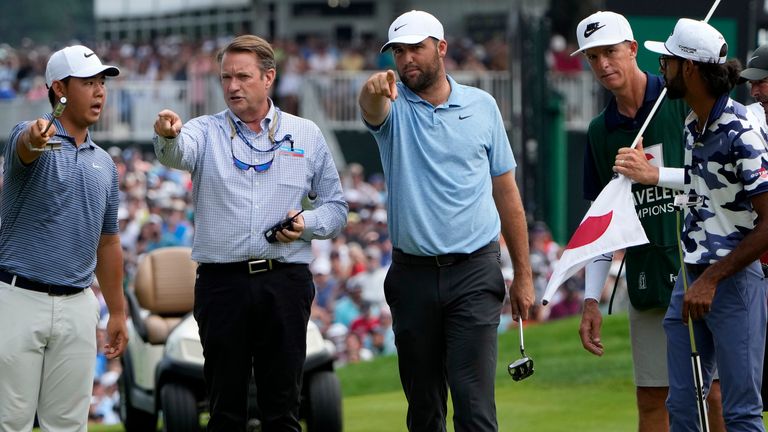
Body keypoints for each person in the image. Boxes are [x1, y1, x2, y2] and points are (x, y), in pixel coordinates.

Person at [152, 34, 347, 432]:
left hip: (285, 281)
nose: (232, 86)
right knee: (224, 409)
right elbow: (175, 153)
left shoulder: (306, 133)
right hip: (222, 284)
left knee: (283, 409)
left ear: (268, 77)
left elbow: (337, 208)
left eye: (242, 76)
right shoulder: (203, 131)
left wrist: (306, 225)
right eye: (225, 77)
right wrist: (167, 134)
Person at [358, 10, 535, 432]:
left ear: (441, 48)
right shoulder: (392, 107)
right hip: (412, 275)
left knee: (473, 405)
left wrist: (524, 276)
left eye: (415, 48)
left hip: (475, 271)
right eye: (398, 52)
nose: (405, 60)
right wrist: (372, 89)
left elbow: (507, 194)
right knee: (424, 409)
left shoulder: (482, 106)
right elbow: (370, 105)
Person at [571, 11, 724, 431]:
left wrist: (654, 174)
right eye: (592, 57)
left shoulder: (680, 100)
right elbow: (600, 221)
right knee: (653, 397)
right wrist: (590, 299)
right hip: (648, 277)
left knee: (715, 391)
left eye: (610, 52)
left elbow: (719, 178)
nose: (603, 65)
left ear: (633, 50)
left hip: (707, 268)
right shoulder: (602, 131)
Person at [645, 18, 768, 431]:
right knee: (681, 408)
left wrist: (711, 279)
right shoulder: (691, 123)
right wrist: (653, 176)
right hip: (691, 278)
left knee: (742, 415)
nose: (661, 67)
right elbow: (703, 185)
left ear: (690, 69)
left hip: (733, 284)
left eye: (668, 60)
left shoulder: (742, 133)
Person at [0, 44, 128, 431]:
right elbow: (28, 144)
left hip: (77, 305)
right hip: (18, 299)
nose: (100, 91)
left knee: (68, 426)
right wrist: (38, 136)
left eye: (101, 82)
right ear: (59, 89)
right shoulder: (28, 134)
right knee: (10, 422)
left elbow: (108, 243)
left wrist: (118, 311)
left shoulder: (105, 163)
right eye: (88, 83)